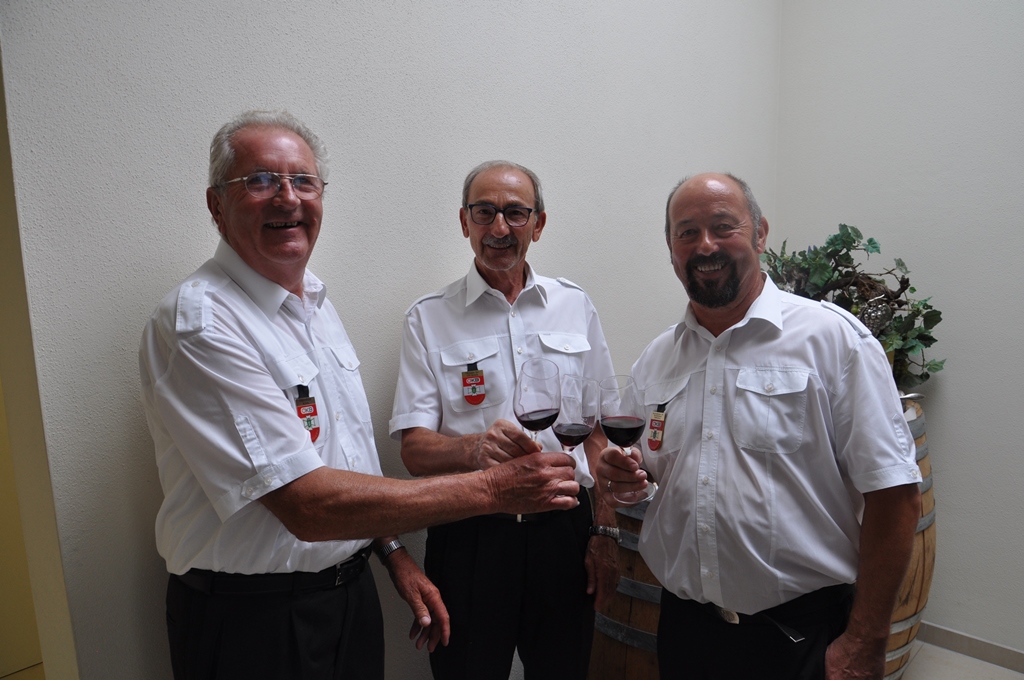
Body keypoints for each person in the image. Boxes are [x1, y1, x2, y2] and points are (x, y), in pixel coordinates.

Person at [139, 112, 582, 680]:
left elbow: (346, 461)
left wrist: (392, 553)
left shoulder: (314, 305)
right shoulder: (202, 323)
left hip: (346, 597)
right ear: (216, 205)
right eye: (260, 180)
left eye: (303, 181)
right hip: (254, 618)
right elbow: (307, 504)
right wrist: (494, 486)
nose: (287, 197)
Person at [596, 172, 922, 680]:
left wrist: (865, 640)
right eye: (687, 232)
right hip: (686, 630)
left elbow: (895, 495)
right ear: (672, 249)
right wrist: (626, 477)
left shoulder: (832, 341)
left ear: (761, 233)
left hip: (800, 637)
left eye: (723, 226)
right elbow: (648, 475)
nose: (705, 245)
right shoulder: (657, 359)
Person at [389, 160, 619, 679]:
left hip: (565, 531)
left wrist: (605, 530)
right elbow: (414, 450)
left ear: (538, 224)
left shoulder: (575, 305)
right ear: (464, 221)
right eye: (484, 212)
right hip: (470, 535)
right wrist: (472, 449)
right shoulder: (428, 317)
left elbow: (599, 431)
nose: (499, 227)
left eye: (515, 213)